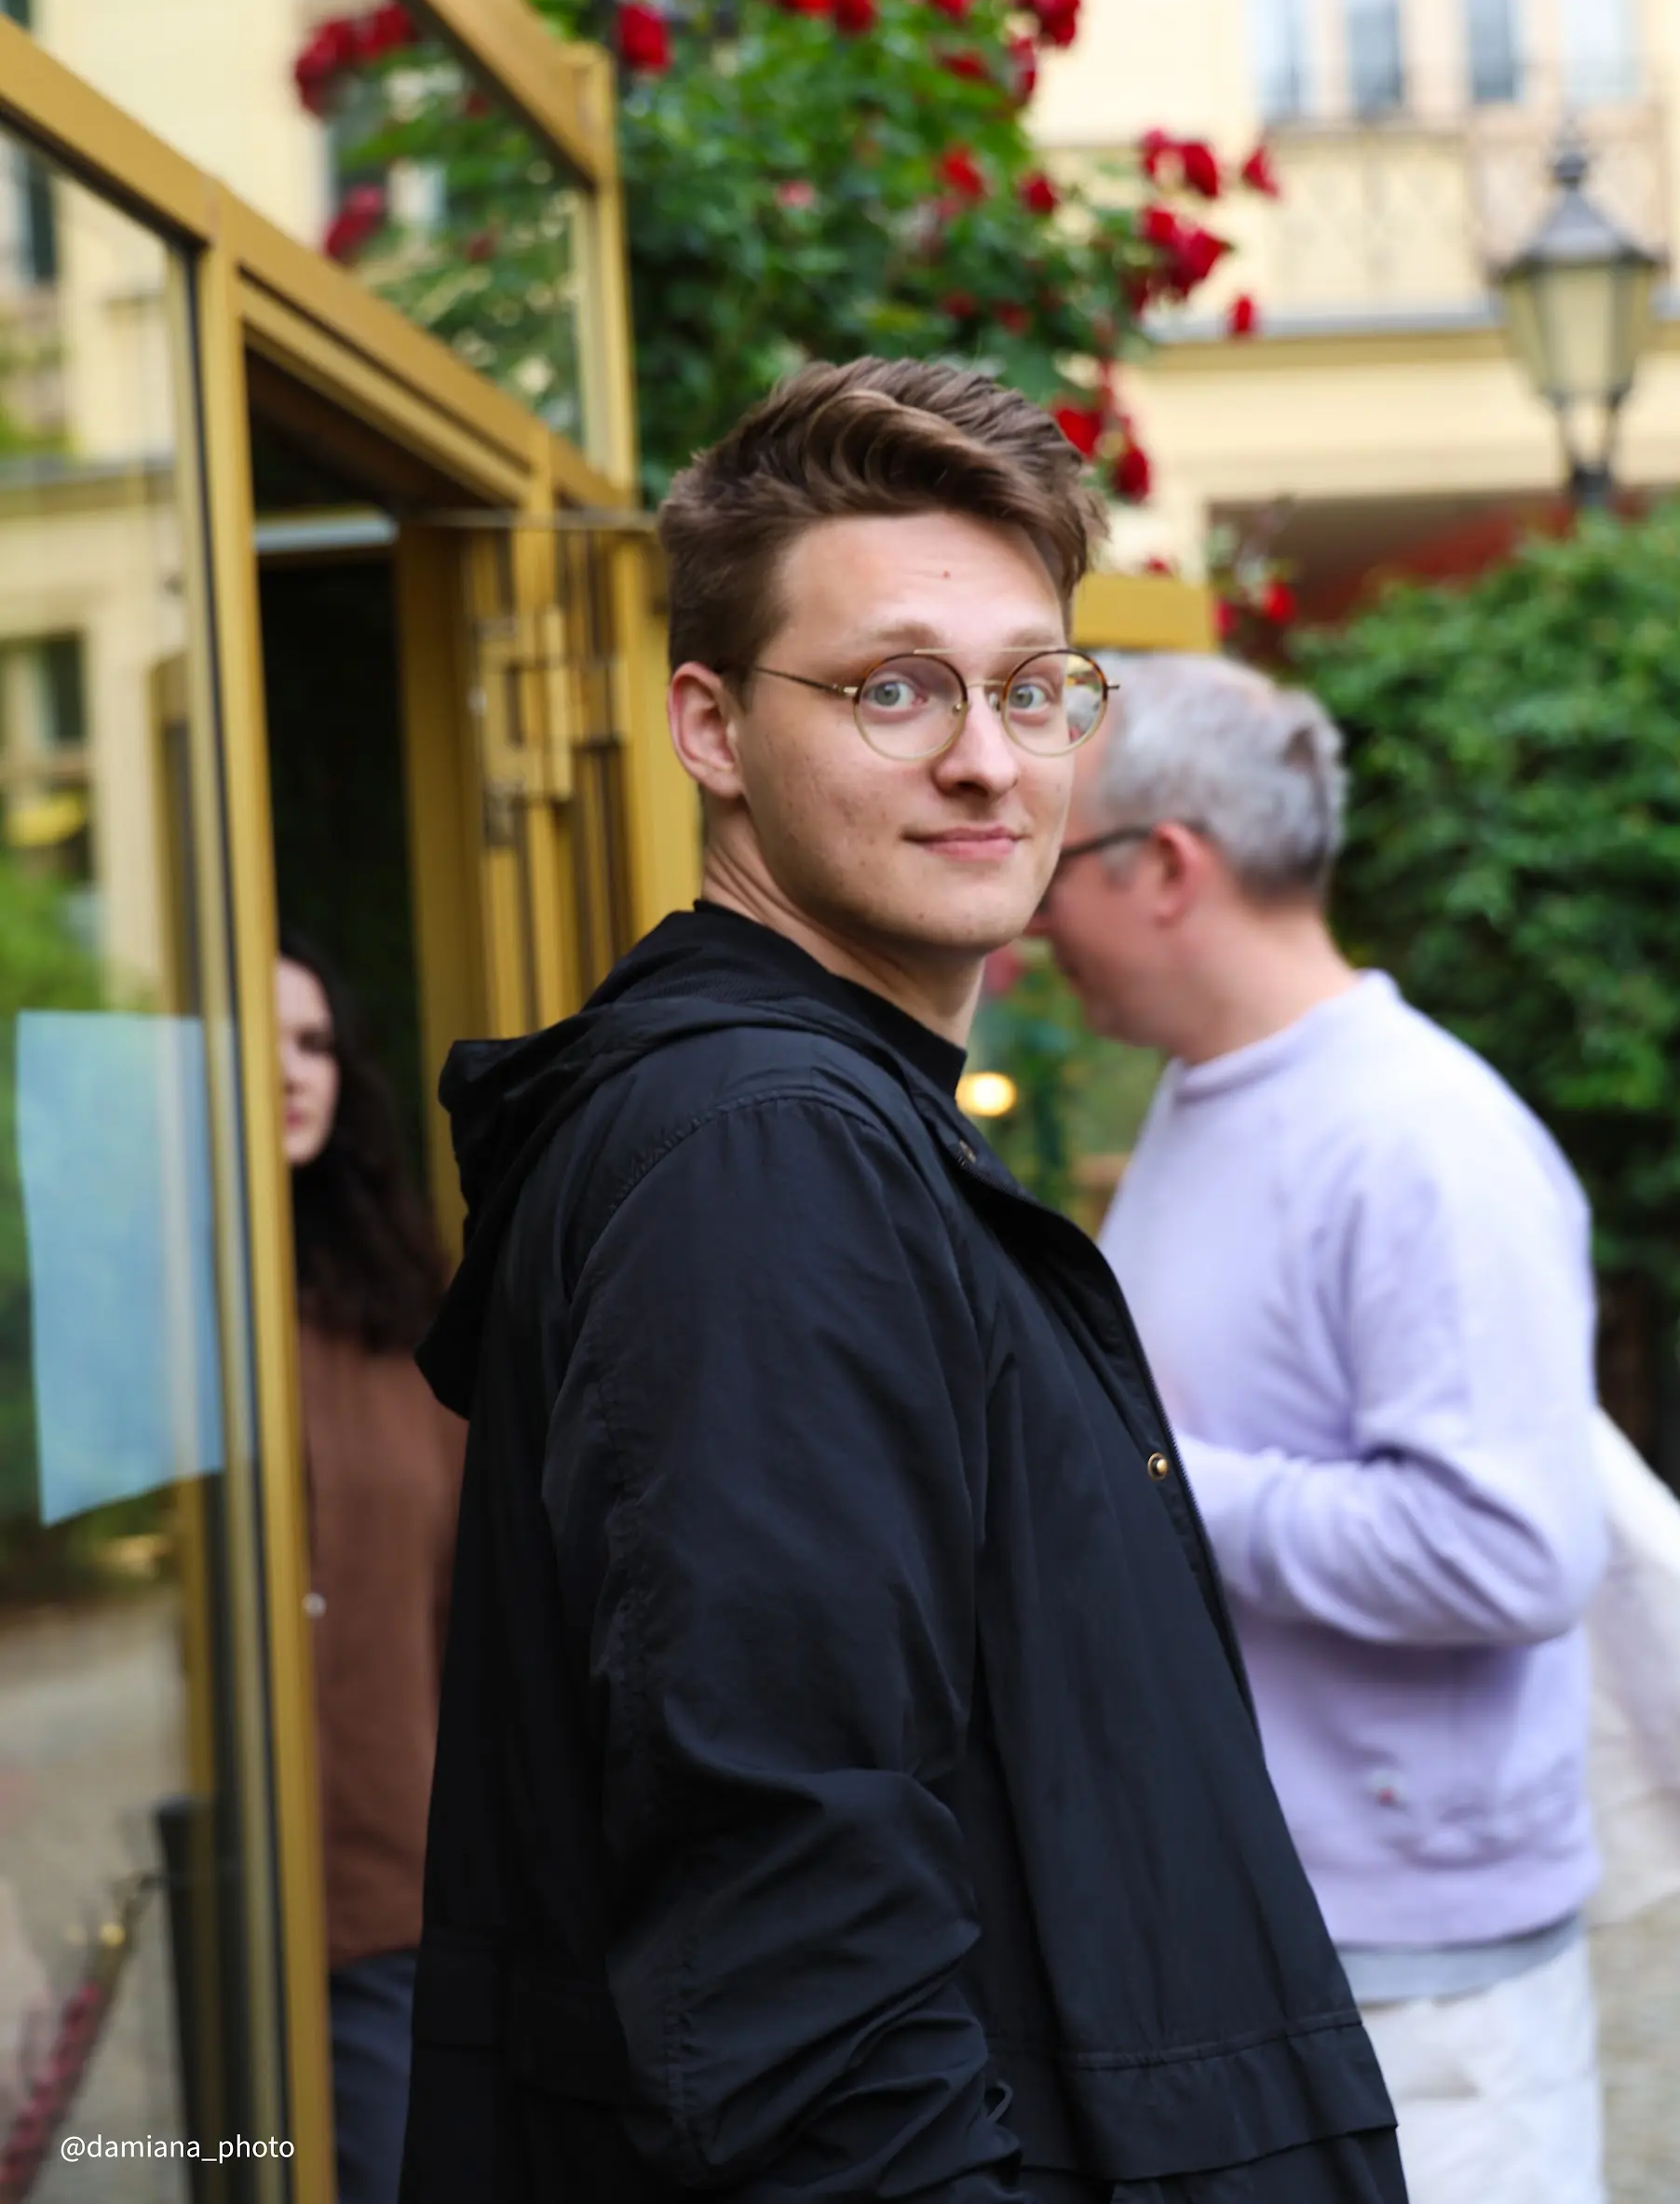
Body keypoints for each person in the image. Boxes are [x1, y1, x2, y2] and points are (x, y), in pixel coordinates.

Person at [400, 360, 1405, 2204]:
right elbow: (795, 1946)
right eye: (892, 687)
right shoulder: (763, 1155)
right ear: (710, 725)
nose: (985, 758)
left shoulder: (824, 1119)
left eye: (1030, 687)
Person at [1032, 652, 1607, 2204]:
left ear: (1163, 866)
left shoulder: (1420, 1138)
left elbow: (1512, 1552)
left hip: (1419, 1991)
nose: (1028, 925)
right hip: (1280, 1930)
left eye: (1054, 868)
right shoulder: (1205, 1096)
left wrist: (1138, 1482)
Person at [278, 938, 465, 2204]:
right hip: (229, 1898)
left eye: (314, 1043)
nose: (291, 1073)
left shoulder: (407, 1318)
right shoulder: (152, 1317)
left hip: (398, 1899)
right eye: (252, 1042)